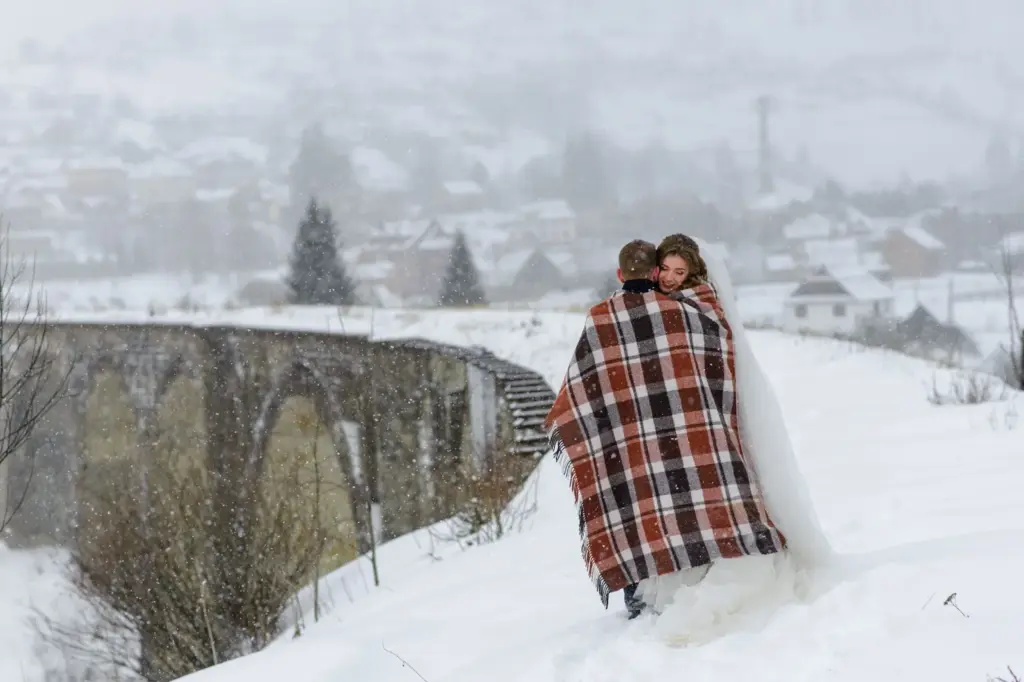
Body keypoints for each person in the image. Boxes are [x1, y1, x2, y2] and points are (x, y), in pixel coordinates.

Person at [543, 238, 786, 622]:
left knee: (635, 506)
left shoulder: (600, 319)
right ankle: (696, 572)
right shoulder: (682, 314)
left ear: (620, 274)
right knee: (687, 506)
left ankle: (637, 594)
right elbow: (718, 355)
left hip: (629, 439)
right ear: (655, 272)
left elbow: (579, 393)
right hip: (685, 434)